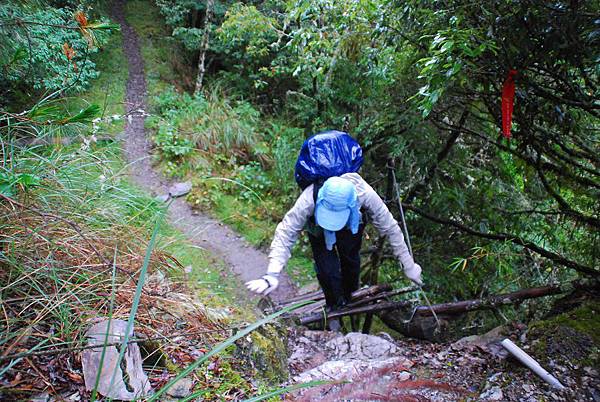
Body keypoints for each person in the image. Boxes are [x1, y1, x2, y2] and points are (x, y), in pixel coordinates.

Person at [245, 172, 423, 315]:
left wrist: (408, 265)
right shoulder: (310, 198)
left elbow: (391, 227)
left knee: (351, 262)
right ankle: (333, 306)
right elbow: (286, 231)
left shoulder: (364, 194)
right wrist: (272, 274)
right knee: (326, 269)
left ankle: (350, 298)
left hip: (351, 225)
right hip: (319, 228)